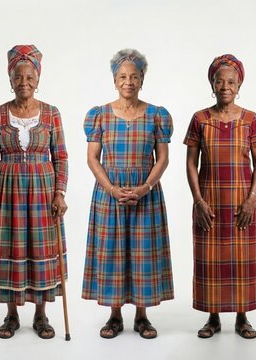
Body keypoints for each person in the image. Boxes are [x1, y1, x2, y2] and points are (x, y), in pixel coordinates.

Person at [82, 49, 174, 340]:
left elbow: (162, 159)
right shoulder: (99, 115)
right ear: (114, 80)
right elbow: (92, 158)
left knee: (143, 254)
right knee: (112, 254)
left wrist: (144, 187)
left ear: (142, 78)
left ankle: (143, 317)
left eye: (134, 76)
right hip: (109, 193)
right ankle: (114, 316)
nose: (128, 81)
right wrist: (110, 188)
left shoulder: (156, 115)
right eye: (122, 76)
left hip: (145, 192)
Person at [0, 45, 68, 340]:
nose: (24, 83)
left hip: (43, 193)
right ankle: (11, 315)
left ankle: (42, 316)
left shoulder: (52, 113)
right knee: (9, 249)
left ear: (38, 79)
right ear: (10, 79)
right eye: (18, 78)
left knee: (41, 251)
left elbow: (62, 157)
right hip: (7, 193)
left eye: (30, 78)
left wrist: (60, 193)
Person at [184, 54, 256, 339]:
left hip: (242, 203)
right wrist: (198, 201)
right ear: (212, 84)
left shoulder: (250, 119)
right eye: (219, 80)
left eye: (231, 81)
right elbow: (191, 163)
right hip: (209, 203)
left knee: (242, 259)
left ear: (239, 84)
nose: (225, 86)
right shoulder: (200, 119)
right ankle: (213, 317)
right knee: (210, 259)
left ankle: (243, 318)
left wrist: (252, 199)